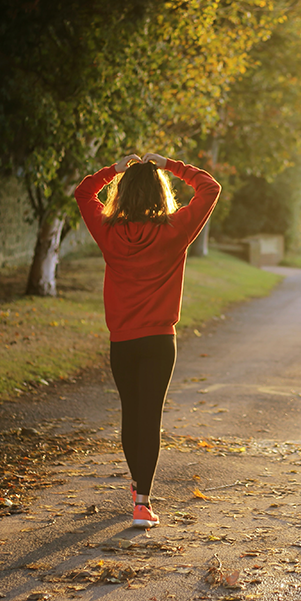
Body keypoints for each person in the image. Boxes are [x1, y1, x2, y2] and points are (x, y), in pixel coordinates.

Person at [74, 152, 221, 528]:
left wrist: (114, 170)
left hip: (122, 341)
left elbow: (83, 192)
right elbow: (210, 188)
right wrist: (170, 164)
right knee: (149, 417)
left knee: (131, 413)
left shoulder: (108, 231)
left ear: (122, 195)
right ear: (160, 194)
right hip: (159, 341)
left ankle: (139, 486)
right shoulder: (175, 230)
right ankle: (142, 502)